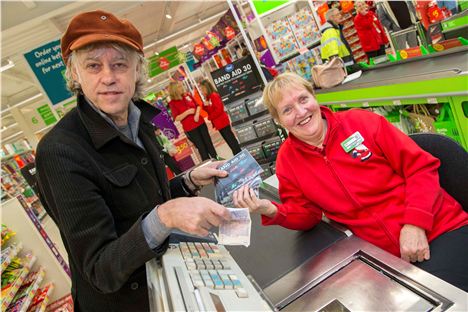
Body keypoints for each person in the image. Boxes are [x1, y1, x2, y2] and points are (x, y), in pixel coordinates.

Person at [35, 10, 231, 311]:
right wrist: (166, 216)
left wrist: (189, 180)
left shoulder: (140, 119)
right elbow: (100, 268)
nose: (108, 77)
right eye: (93, 66)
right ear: (75, 74)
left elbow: (142, 202)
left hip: (167, 283)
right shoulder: (60, 151)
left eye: (119, 64)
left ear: (137, 70)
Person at [233, 72, 468, 291]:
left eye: (303, 99)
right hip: (382, 259)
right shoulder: (288, 161)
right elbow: (307, 215)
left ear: (314, 97)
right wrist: (272, 210)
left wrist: (415, 224)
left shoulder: (361, 122)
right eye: (287, 109)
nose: (301, 112)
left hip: (438, 229)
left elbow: (420, 167)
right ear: (279, 121)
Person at [168, 81, 218, 161]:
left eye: (181, 86)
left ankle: (217, 159)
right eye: (179, 87)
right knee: (201, 148)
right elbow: (177, 118)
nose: (182, 88)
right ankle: (209, 165)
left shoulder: (187, 95)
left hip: (200, 123)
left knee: (209, 143)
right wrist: (187, 112)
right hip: (190, 129)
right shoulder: (172, 103)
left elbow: (197, 105)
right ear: (175, 90)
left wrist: (197, 114)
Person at [199, 79, 241, 156]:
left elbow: (219, 110)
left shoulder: (213, 96)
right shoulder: (209, 97)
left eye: (201, 89)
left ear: (205, 88)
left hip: (222, 122)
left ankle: (238, 153)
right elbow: (210, 109)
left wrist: (210, 117)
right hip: (219, 123)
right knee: (229, 140)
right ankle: (237, 153)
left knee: (231, 140)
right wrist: (205, 105)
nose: (201, 91)